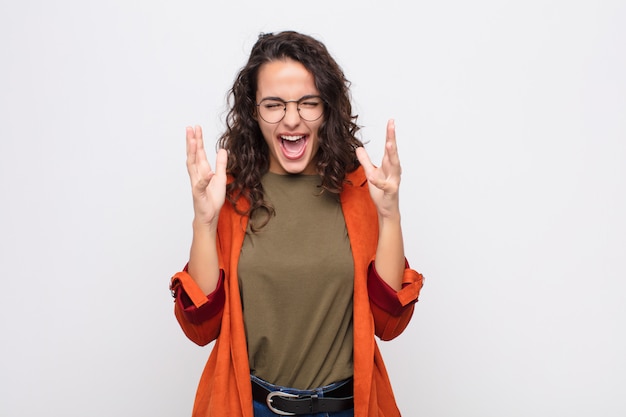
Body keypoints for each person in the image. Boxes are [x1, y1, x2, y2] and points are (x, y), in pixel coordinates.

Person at [170, 30, 424, 417]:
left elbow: (389, 324)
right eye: (274, 105)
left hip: (346, 408)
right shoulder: (230, 195)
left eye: (308, 103)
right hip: (251, 408)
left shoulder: (360, 190)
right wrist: (204, 223)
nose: (292, 119)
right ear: (253, 113)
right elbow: (201, 330)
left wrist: (390, 215)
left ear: (328, 108)